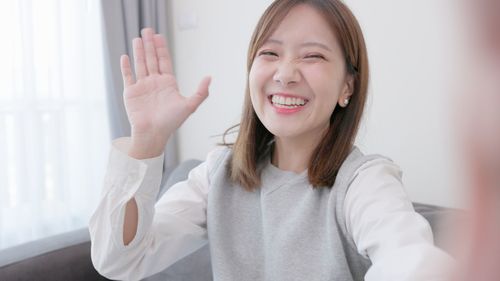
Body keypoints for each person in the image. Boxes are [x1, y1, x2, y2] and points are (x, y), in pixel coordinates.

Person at [89, 0, 453, 280]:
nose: (285, 74)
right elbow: (120, 261)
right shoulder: (219, 173)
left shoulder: (365, 182)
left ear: (348, 86)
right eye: (270, 53)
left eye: (313, 56)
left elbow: (411, 260)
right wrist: (148, 141)